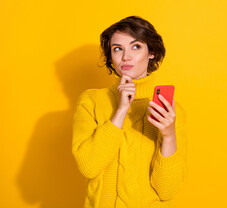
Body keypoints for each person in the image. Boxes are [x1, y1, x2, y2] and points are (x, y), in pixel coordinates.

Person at [71, 16, 188, 208]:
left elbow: (167, 190)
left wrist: (168, 136)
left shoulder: (170, 112)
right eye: (117, 49)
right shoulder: (90, 101)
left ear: (151, 52)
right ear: (111, 56)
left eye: (136, 47)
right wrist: (121, 111)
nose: (126, 56)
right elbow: (89, 167)